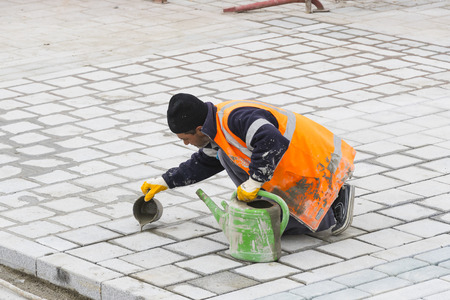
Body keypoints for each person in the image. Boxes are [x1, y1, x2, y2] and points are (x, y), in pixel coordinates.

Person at [141, 93, 356, 235]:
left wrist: (255, 181)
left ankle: (337, 197)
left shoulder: (235, 118)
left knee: (305, 225)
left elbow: (272, 140)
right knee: (224, 158)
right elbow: (204, 162)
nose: (187, 144)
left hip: (320, 164)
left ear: (198, 129)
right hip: (296, 162)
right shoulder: (215, 126)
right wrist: (166, 181)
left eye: (185, 138)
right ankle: (284, 209)